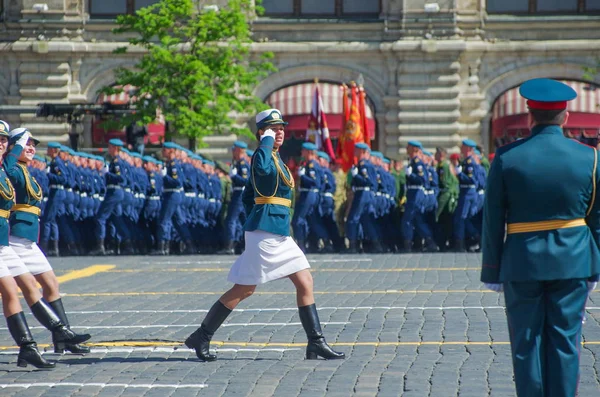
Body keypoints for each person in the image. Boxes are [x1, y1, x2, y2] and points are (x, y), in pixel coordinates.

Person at [184, 108, 345, 362]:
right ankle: (201, 336)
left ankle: (316, 342)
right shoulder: (263, 153)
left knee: (304, 281)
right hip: (266, 233)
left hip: (276, 229)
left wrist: (256, 213)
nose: (279, 132)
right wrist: (266, 141)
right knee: (245, 289)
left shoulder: (275, 156)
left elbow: (249, 194)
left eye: (281, 128)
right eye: (273, 128)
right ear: (262, 132)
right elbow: (263, 172)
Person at [481, 78, 600, 397]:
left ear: (529, 114)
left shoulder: (506, 157)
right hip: (573, 260)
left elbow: (493, 218)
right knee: (565, 342)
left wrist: (492, 270)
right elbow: (596, 218)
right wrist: (595, 267)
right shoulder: (589, 158)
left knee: (526, 344)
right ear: (566, 116)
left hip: (523, 261)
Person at [4, 127, 92, 355]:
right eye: (26, 144)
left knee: (52, 284)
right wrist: (16, 148)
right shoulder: (11, 169)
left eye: (33, 144)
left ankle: (64, 339)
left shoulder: (24, 169)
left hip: (27, 238)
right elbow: (8, 167)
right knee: (22, 289)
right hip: (14, 237)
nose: (31, 147)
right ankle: (53, 338)